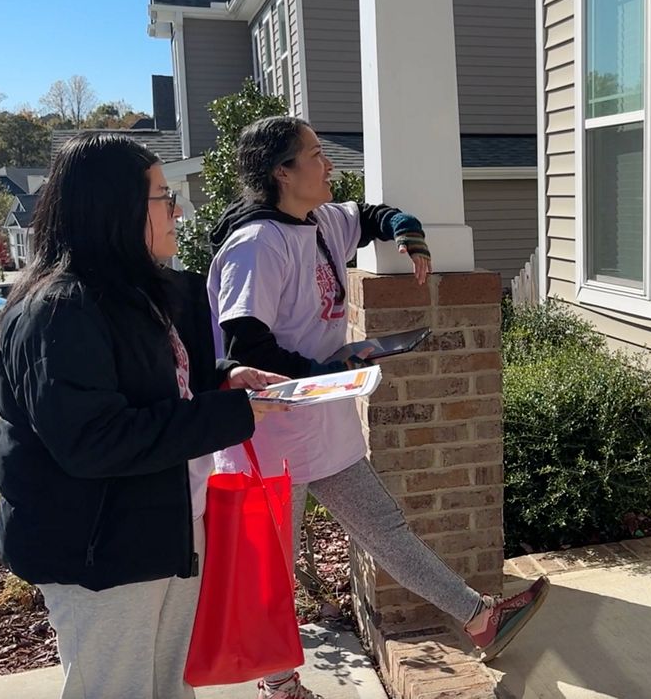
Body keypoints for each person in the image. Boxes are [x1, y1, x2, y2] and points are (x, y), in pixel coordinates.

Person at [208, 116, 550, 699]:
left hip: (324, 425)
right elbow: (246, 346)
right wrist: (326, 370)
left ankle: (479, 617)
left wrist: (406, 229)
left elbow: (369, 215)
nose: (329, 165)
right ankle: (280, 685)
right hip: (268, 437)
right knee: (272, 567)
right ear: (281, 172)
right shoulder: (257, 245)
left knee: (386, 529)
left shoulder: (318, 221)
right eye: (315, 156)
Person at [0, 132, 288, 699]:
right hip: (98, 551)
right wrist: (228, 415)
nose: (176, 209)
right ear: (116, 206)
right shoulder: (58, 310)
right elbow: (94, 440)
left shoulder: (142, 290)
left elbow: (157, 387)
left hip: (157, 531)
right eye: (161, 195)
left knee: (169, 687)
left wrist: (223, 381)